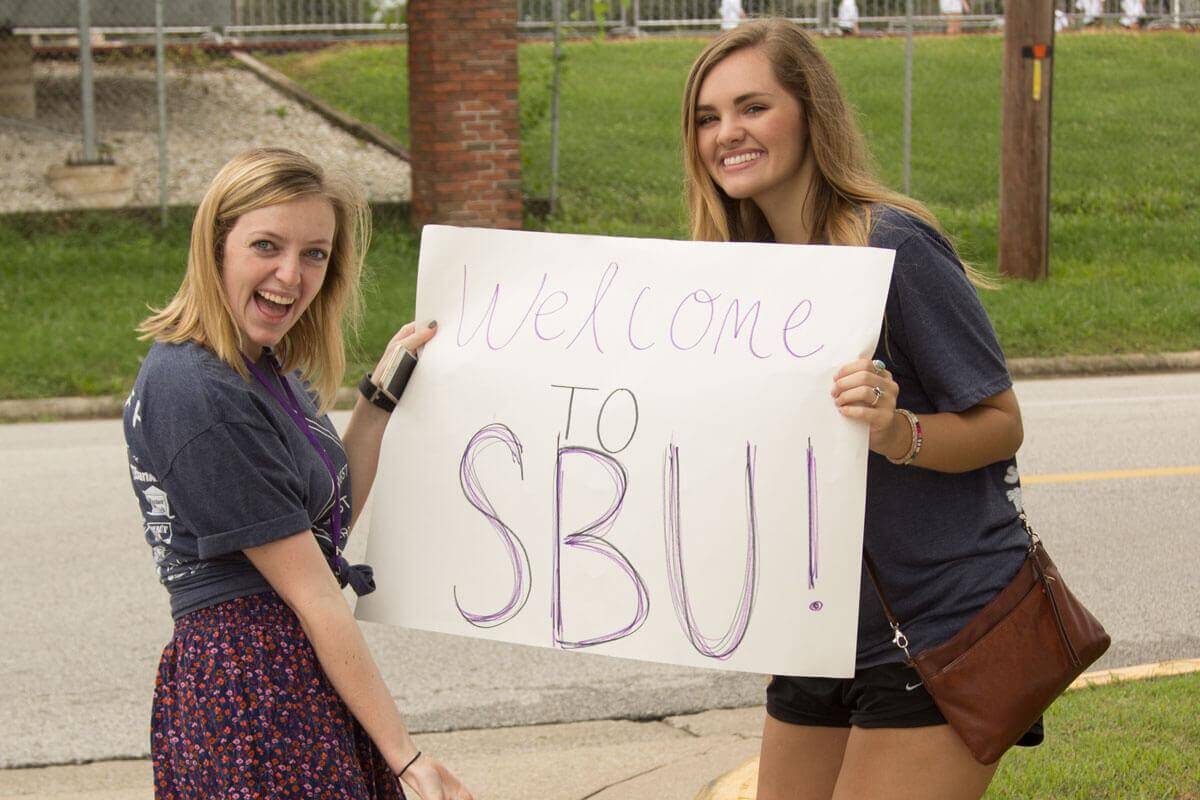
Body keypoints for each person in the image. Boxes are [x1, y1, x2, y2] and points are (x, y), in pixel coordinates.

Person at [680, 20, 1039, 799]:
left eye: (752, 108)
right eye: (708, 118)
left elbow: (1001, 424)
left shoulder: (892, 246)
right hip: (818, 631)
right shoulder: (732, 283)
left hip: (943, 627)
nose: (727, 133)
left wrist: (895, 430)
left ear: (811, 112)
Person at [124, 147, 474, 800]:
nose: (291, 274)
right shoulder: (199, 392)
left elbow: (324, 524)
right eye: (266, 245)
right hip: (252, 690)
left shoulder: (259, 366)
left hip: (290, 672)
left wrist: (379, 397)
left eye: (314, 253)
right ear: (217, 245)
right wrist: (405, 755)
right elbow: (314, 591)